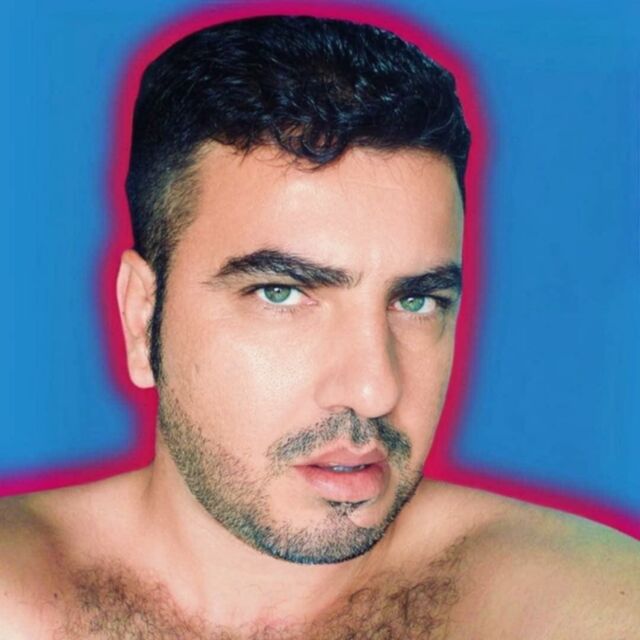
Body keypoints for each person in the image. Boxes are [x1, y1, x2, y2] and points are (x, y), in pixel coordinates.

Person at [1, 14, 638, 639]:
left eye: (416, 301)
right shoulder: (17, 600)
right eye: (281, 293)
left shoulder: (580, 606)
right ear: (143, 318)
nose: (374, 390)